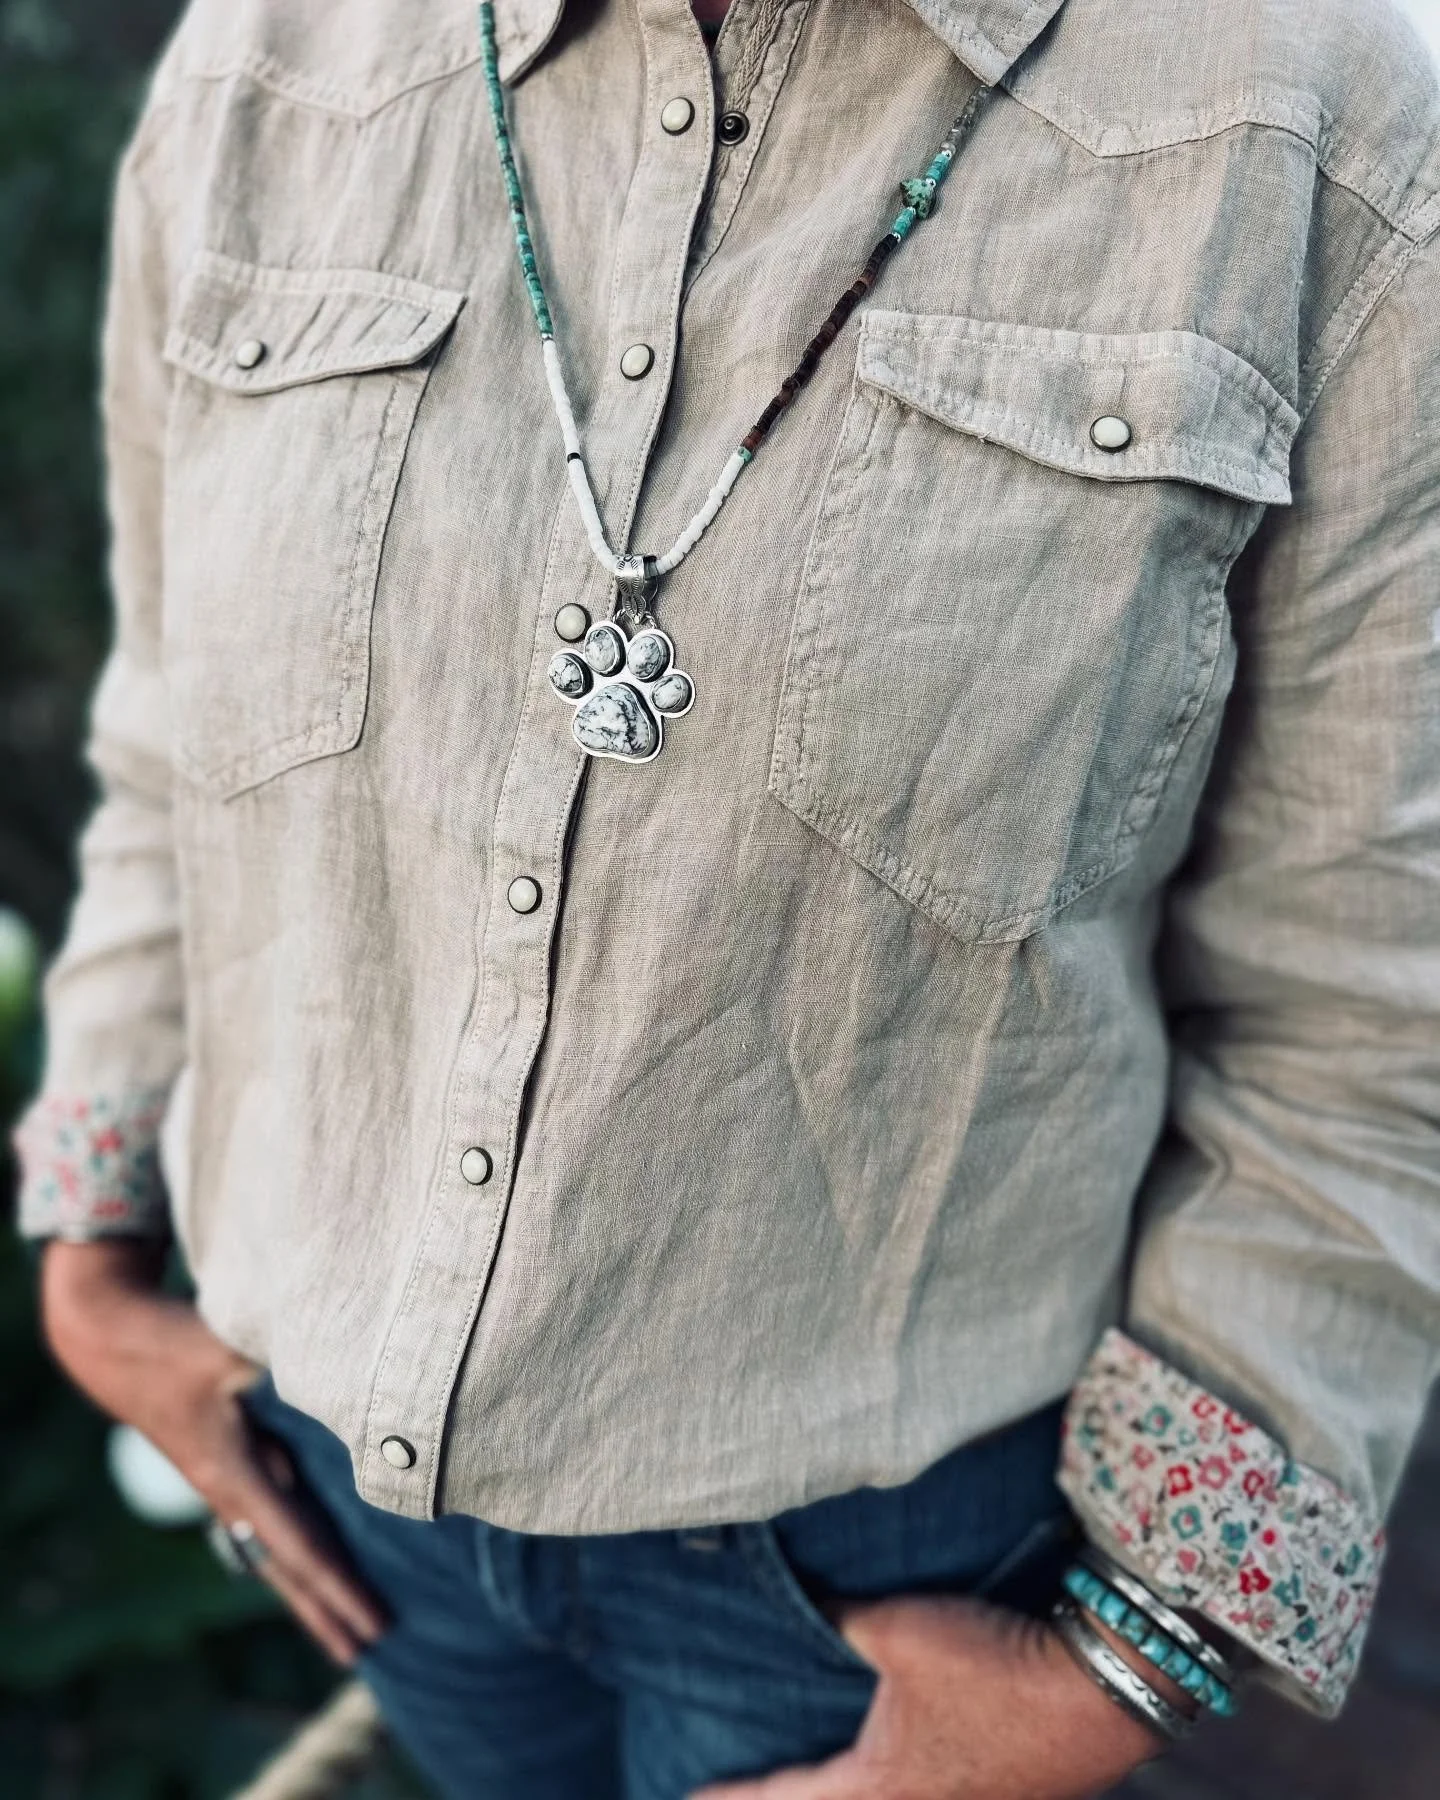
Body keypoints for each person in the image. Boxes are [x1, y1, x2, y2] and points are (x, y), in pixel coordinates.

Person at [17, 0, 1440, 1794]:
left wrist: (1122, 1669)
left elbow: (1374, 993)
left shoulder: (1318, 124)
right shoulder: (266, 58)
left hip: (872, 1582)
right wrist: (90, 1246)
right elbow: (170, 746)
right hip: (354, 1511)